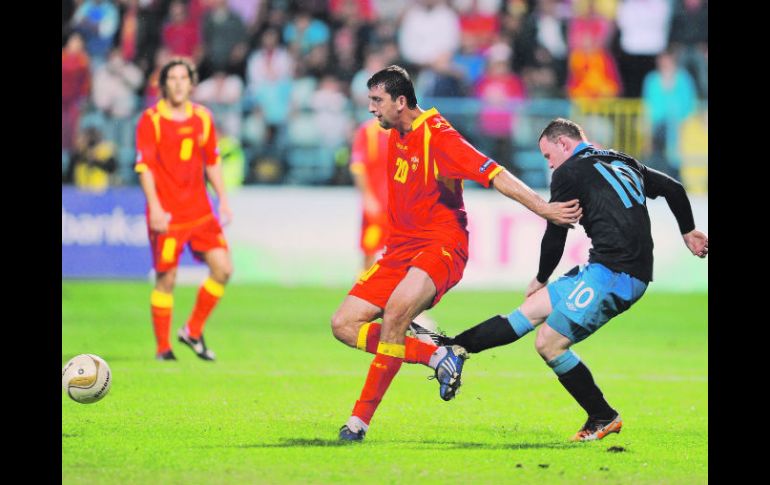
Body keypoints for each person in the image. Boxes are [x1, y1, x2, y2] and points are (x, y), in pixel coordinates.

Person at [330, 66, 582, 442]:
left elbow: (495, 174)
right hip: (399, 250)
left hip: (441, 245)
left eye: (377, 101)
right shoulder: (397, 132)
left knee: (397, 313)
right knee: (344, 325)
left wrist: (544, 208)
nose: (371, 109)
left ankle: (357, 423)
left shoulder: (439, 137)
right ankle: (437, 356)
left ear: (401, 102)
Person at [433, 118, 708, 442]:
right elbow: (673, 188)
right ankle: (454, 348)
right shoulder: (621, 160)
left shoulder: (569, 171)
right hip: (608, 269)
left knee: (548, 342)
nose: (549, 165)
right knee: (529, 312)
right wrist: (688, 231)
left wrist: (540, 276)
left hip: (615, 274)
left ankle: (603, 416)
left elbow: (556, 229)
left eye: (548, 156)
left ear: (564, 144)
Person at [134, 58, 233, 362]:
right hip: (168, 216)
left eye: (183, 78)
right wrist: (155, 208)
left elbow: (212, 161)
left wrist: (224, 199)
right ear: (163, 84)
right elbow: (145, 167)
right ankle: (164, 349)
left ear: (192, 83)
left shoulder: (203, 118)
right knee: (167, 280)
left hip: (201, 212)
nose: (178, 83)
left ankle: (192, 330)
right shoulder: (151, 120)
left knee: (224, 269)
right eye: (172, 78)